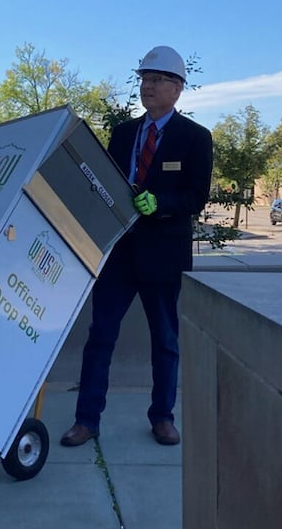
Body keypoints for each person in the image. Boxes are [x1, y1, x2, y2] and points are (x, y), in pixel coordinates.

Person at [61, 45, 213, 447]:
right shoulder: (125, 134)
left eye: (159, 79)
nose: (148, 86)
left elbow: (196, 196)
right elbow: (105, 185)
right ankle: (86, 419)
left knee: (165, 339)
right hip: (119, 254)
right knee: (101, 336)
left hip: (163, 255)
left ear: (178, 89)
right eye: (145, 78)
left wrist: (160, 204)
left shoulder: (195, 138)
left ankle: (162, 417)